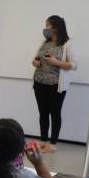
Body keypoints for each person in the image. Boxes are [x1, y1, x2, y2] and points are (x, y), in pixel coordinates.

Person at [31, 15, 78, 152]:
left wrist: (56, 62)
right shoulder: (44, 42)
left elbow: (74, 65)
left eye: (48, 26)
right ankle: (43, 140)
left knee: (55, 113)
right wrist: (35, 62)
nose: (45, 29)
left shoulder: (68, 43)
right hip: (40, 82)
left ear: (56, 28)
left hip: (56, 85)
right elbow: (36, 59)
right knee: (43, 112)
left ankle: (52, 143)